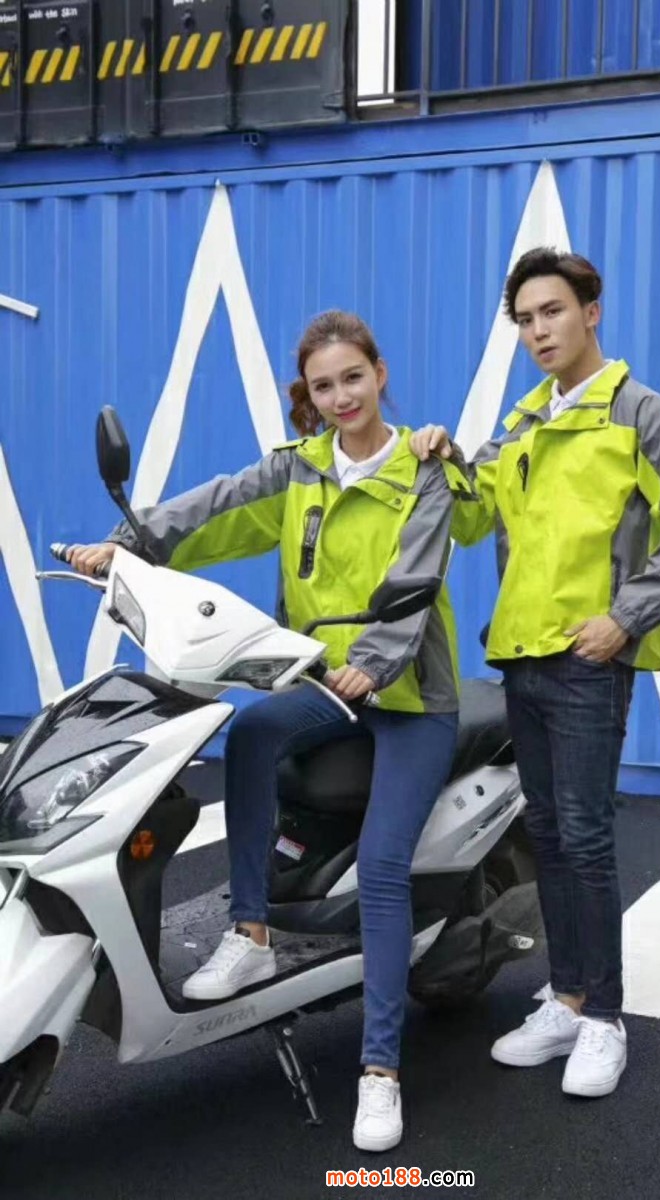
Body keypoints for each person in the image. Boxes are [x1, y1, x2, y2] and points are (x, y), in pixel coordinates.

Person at [68, 310, 465, 1152]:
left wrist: (377, 662)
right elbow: (215, 507)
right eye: (324, 386)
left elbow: (419, 575)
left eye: (352, 377)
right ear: (308, 396)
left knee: (382, 868)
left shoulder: (423, 471)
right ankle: (249, 933)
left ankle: (380, 1071)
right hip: (327, 685)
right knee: (249, 736)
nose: (341, 396)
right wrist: (125, 547)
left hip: (409, 698)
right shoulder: (298, 469)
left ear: (380, 374)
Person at [411, 248, 660, 1098]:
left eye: (552, 311)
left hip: (588, 660)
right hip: (521, 653)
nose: (539, 331)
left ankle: (605, 1017)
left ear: (591, 311)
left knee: (583, 837)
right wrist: (444, 457)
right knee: (545, 835)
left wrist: (626, 618)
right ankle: (568, 997)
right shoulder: (522, 424)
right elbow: (474, 519)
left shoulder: (640, 414)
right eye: (525, 320)